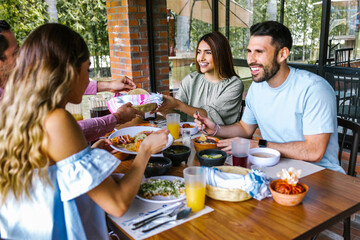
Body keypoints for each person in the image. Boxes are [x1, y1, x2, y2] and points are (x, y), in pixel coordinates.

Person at [0, 23, 169, 239]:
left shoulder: (18, 111)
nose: (88, 79)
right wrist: (146, 149)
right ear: (69, 71)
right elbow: (117, 203)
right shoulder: (56, 120)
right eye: (87, 69)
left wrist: (88, 157)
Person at [195, 21, 344, 173]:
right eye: (249, 51)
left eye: (259, 52)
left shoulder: (314, 89)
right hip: (275, 167)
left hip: (320, 174)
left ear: (282, 54)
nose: (250, 59)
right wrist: (216, 129)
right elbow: (245, 128)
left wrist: (260, 145)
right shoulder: (257, 87)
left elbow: (314, 151)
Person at [0, 20, 139, 142]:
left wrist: (109, 85)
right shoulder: (58, 118)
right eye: (16, 52)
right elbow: (64, 134)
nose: (23, 58)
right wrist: (116, 118)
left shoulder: (16, 88)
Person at [157, 31, 244, 125]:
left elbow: (211, 117)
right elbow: (180, 118)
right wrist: (160, 108)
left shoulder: (234, 85)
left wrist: (178, 104)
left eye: (208, 53)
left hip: (220, 139)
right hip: (192, 137)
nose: (201, 58)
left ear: (221, 55)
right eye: (199, 52)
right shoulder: (190, 80)